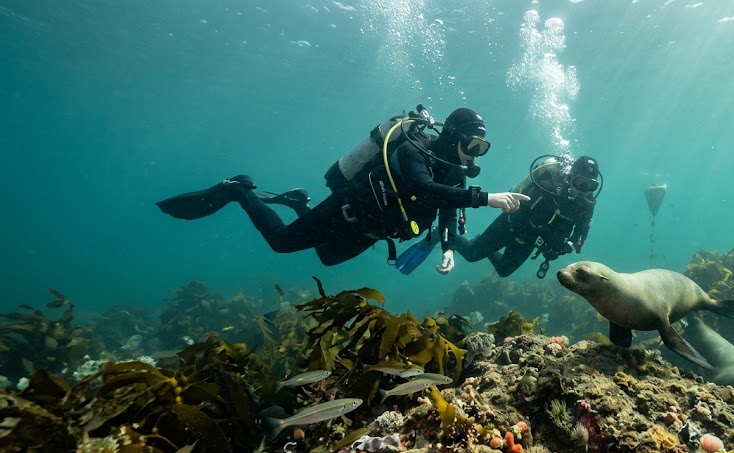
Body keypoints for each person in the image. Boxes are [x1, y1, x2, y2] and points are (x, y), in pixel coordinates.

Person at [156, 106, 529, 274]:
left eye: (482, 149)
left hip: (372, 230)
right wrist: (485, 197)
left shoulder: (455, 174)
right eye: (472, 145)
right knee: (281, 243)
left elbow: (447, 212)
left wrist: (448, 250)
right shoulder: (413, 149)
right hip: (347, 211)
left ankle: (298, 202)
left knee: (327, 258)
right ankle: (240, 190)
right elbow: (421, 186)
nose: (474, 155)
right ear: (452, 136)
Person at [399, 154, 600, 278]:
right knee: (471, 255)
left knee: (503, 271)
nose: (584, 190)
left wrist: (569, 245)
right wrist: (544, 240)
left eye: (591, 186)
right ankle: (438, 234)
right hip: (510, 225)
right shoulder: (548, 188)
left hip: (529, 241)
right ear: (571, 178)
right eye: (581, 183)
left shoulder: (587, 204)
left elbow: (581, 233)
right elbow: (521, 216)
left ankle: (479, 242)